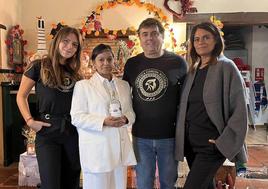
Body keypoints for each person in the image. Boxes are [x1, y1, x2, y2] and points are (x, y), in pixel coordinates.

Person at [175, 22, 248, 189]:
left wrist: (223, 142)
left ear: (216, 40)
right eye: (197, 39)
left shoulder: (226, 67)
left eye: (206, 37)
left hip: (212, 146)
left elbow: (239, 111)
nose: (201, 42)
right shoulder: (193, 70)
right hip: (192, 145)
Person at [123, 18, 187, 189]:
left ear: (162, 36)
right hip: (141, 136)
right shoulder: (132, 64)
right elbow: (122, 96)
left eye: (154, 33)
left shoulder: (178, 62)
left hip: (169, 136)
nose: (149, 38)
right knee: (143, 183)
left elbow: (187, 98)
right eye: (145, 34)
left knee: (168, 183)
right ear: (140, 38)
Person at [16, 26, 82, 189]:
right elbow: (21, 96)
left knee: (71, 182)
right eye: (66, 41)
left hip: (72, 132)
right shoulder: (39, 66)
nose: (69, 47)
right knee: (51, 184)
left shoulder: (75, 72)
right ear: (57, 41)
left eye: (74, 44)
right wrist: (30, 121)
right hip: (48, 132)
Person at [70, 44, 136, 189]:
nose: (106, 63)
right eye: (101, 60)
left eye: (109, 59)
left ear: (114, 61)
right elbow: (76, 117)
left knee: (119, 186)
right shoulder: (83, 86)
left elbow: (131, 112)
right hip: (98, 149)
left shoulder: (124, 85)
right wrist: (103, 121)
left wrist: (125, 119)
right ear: (93, 63)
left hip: (119, 148)